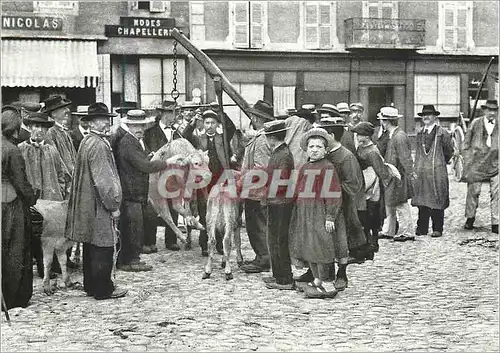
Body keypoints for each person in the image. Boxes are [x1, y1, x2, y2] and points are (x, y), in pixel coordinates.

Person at [65, 102, 127, 300]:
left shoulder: (87, 141)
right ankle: (103, 289)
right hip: (99, 204)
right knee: (103, 243)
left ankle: (90, 285)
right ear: (91, 122)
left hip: (87, 203)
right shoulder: (99, 145)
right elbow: (104, 181)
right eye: (101, 120)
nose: (106, 123)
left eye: (106, 119)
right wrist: (114, 205)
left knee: (90, 244)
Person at [289, 128, 343, 299]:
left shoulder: (327, 167)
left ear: (325, 150)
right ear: (306, 148)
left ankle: (326, 281)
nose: (314, 149)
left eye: (319, 147)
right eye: (311, 146)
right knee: (308, 246)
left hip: (319, 212)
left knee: (321, 246)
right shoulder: (305, 166)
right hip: (304, 212)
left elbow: (333, 193)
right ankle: (317, 280)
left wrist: (330, 216)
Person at [115, 110, 170, 271]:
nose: (139, 129)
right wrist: (167, 162)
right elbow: (145, 166)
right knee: (132, 228)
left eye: (142, 126)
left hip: (135, 193)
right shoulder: (128, 143)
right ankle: (129, 261)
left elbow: (140, 161)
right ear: (129, 126)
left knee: (135, 227)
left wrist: (148, 156)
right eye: (135, 126)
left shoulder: (135, 141)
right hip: (130, 193)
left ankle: (133, 259)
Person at [2, 107, 38, 310]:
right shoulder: (12, 150)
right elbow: (21, 183)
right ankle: (14, 296)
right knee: (16, 250)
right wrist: (32, 198)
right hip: (11, 206)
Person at [190, 108, 236, 256]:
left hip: (221, 178)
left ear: (217, 124)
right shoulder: (198, 139)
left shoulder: (223, 138)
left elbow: (231, 127)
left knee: (221, 211)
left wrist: (222, 111)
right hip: (204, 181)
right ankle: (205, 244)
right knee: (205, 211)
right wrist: (192, 123)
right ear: (203, 124)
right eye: (207, 122)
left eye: (212, 122)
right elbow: (184, 136)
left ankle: (220, 245)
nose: (209, 125)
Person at [144, 99, 186, 252]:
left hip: (173, 175)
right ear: (161, 114)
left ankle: (171, 240)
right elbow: (146, 151)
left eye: (174, 112)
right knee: (153, 208)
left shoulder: (177, 132)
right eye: (170, 112)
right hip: (155, 174)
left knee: (173, 205)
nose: (173, 115)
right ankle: (150, 241)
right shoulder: (150, 132)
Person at [239, 100, 275, 273]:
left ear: (257, 118)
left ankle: (264, 258)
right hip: (256, 190)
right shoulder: (261, 137)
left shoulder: (261, 140)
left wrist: (241, 180)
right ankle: (262, 256)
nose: (251, 117)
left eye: (253, 115)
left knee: (257, 225)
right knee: (258, 225)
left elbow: (261, 168)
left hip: (256, 192)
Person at [259, 120, 295, 290]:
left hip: (280, 203)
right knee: (274, 240)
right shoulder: (279, 152)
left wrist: (265, 191)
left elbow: (281, 183)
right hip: (276, 202)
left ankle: (285, 279)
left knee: (279, 240)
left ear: (272, 138)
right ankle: (278, 275)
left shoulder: (283, 155)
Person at [412, 105, 454, 237]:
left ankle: (437, 228)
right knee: (422, 198)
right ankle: (422, 227)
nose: (426, 117)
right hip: (422, 171)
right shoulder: (419, 133)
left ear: (435, 117)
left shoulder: (442, 133)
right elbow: (418, 152)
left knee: (437, 197)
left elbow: (449, 152)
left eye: (429, 114)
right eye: (424, 115)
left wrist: (440, 162)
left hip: (437, 171)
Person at [352, 121, 392, 252]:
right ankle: (366, 240)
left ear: (367, 136)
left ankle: (373, 242)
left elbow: (380, 170)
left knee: (372, 213)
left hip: (372, 184)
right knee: (365, 214)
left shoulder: (372, 151)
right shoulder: (361, 148)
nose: (357, 136)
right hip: (363, 181)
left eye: (359, 134)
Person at [377, 107, 416, 242]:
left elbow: (405, 158)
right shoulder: (393, 135)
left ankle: (408, 231)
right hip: (393, 174)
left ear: (386, 121)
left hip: (399, 175)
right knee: (390, 202)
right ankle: (389, 230)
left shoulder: (399, 136)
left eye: (382, 121)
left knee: (401, 203)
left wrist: (410, 173)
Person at [462, 99, 498, 233]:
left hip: (496, 164)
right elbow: (465, 144)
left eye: (494, 110)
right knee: (473, 191)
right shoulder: (475, 124)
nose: (492, 113)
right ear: (484, 111)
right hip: (476, 164)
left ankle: (496, 222)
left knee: (497, 193)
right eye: (489, 110)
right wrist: (468, 160)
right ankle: (470, 218)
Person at [41, 95, 77, 177]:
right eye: (63, 108)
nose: (67, 110)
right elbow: (57, 161)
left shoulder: (64, 131)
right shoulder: (50, 132)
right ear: (54, 113)